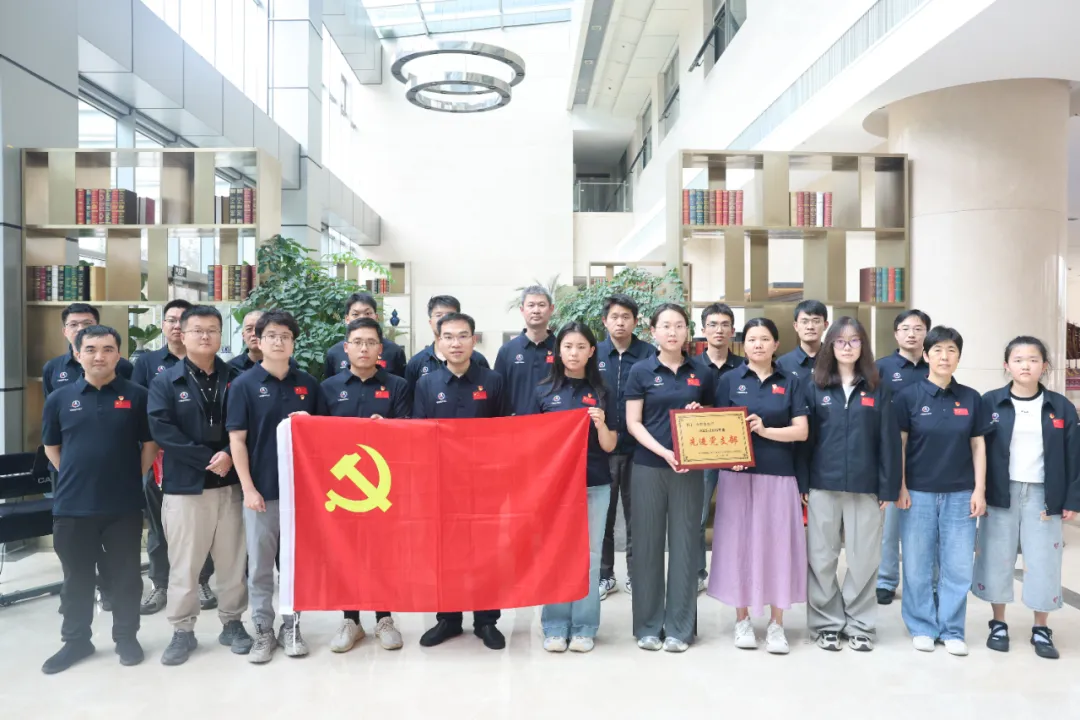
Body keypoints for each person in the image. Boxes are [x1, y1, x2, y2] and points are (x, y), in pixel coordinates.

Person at [40, 325, 158, 674]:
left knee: (125, 576)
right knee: (76, 578)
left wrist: (130, 476)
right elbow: (51, 447)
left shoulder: (137, 395)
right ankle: (76, 641)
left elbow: (150, 444)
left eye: (108, 349)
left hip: (123, 505)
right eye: (90, 349)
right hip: (72, 507)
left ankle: (126, 637)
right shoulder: (59, 399)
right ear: (77, 354)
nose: (99, 356)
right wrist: (76, 476)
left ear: (118, 355)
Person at [148, 306, 253, 665]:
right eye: (197, 330)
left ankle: (232, 622)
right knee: (185, 565)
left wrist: (228, 454)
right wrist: (208, 458)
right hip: (185, 488)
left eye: (212, 330)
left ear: (221, 335)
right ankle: (182, 630)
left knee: (232, 562)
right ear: (182, 334)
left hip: (231, 485)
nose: (205, 336)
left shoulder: (237, 377)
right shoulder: (166, 381)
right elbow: (162, 430)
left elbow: (249, 423)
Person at [973, 336, 1080, 659]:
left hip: (1044, 494)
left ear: (1044, 366)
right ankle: (998, 622)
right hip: (1000, 492)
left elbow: (1074, 455)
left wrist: (1072, 500)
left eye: (1033, 360)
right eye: (1018, 359)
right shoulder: (990, 402)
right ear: (1006, 365)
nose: (1025, 365)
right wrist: (978, 490)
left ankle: (1041, 627)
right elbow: (976, 449)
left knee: (1044, 559)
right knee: (997, 556)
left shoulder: (1060, 406)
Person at [709, 317, 809, 654]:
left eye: (765, 339)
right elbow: (718, 427)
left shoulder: (791, 381)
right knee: (739, 546)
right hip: (737, 477)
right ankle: (742, 620)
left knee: (778, 547)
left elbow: (801, 431)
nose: (758, 344)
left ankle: (777, 624)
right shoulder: (729, 380)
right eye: (752, 339)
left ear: (776, 344)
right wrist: (727, 456)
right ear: (744, 343)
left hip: (779, 476)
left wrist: (765, 431)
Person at [802, 317, 900, 652]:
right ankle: (826, 624)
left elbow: (889, 441)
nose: (847, 347)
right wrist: (803, 483)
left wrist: (887, 487)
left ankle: (860, 625)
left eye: (854, 340)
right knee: (821, 558)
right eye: (840, 341)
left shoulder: (877, 387)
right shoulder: (814, 386)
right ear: (830, 345)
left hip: (866, 486)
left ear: (863, 346)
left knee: (864, 559)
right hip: (822, 485)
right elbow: (805, 441)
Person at [227, 310, 319, 664]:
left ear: (293, 342)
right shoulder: (244, 385)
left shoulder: (308, 385)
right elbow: (237, 441)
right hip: (262, 493)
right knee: (261, 568)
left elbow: (323, 438)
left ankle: (292, 627)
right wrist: (249, 489)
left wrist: (311, 423)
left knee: (295, 568)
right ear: (259, 340)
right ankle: (263, 630)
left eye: (285, 336)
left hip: (301, 496)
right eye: (271, 335)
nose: (278, 341)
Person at [413, 312, 508, 650]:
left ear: (473, 340)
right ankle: (448, 619)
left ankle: (487, 620)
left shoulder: (493, 381)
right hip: (442, 484)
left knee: (486, 553)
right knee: (446, 553)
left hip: (484, 484)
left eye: (463, 336)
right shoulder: (427, 384)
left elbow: (505, 431)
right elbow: (418, 434)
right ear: (438, 342)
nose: (456, 343)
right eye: (449, 337)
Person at [893, 326, 989, 656]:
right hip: (917, 493)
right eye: (937, 350)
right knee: (917, 563)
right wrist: (900, 486)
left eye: (951, 351)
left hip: (961, 493)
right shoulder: (908, 397)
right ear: (926, 355)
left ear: (959, 357)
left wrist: (979, 489)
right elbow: (900, 444)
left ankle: (951, 628)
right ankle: (922, 625)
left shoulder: (971, 398)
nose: (944, 356)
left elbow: (978, 445)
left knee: (957, 564)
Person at [316, 317, 410, 653]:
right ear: (346, 348)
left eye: (370, 342)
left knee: (383, 553)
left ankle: (384, 618)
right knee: (346, 551)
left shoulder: (398, 386)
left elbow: (410, 429)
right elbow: (318, 435)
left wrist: (389, 427)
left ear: (380, 349)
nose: (364, 348)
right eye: (357, 342)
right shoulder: (328, 388)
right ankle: (350, 619)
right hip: (342, 488)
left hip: (385, 483)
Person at [624, 303, 713, 653]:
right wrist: (663, 452)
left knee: (686, 546)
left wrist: (701, 412)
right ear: (653, 331)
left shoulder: (702, 372)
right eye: (665, 325)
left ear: (687, 331)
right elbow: (633, 422)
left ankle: (680, 628)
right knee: (647, 546)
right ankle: (648, 625)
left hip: (690, 470)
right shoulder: (641, 371)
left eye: (679, 325)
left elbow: (714, 416)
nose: (672, 331)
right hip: (649, 467)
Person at [527, 322, 617, 653]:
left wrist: (601, 424)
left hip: (595, 483)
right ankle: (554, 625)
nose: (574, 353)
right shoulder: (543, 391)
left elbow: (611, 445)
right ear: (558, 351)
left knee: (590, 558)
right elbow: (532, 441)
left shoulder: (603, 392)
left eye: (581, 347)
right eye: (568, 346)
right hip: (555, 488)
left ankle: (584, 626)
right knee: (555, 554)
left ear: (592, 351)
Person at [43, 303, 135, 613]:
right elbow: (52, 436)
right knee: (75, 554)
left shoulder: (128, 377)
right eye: (74, 325)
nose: (99, 356)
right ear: (67, 334)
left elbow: (142, 435)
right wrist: (71, 470)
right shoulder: (54, 376)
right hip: (71, 484)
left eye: (87, 323)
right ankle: (76, 611)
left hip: (118, 485)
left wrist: (131, 472)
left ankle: (113, 604)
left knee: (118, 554)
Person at [133, 299, 216, 616]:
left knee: (201, 527)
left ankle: (202, 581)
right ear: (163, 325)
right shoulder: (148, 363)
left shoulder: (210, 364)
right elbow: (143, 412)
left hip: (198, 459)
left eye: (183, 320)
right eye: (171, 320)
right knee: (159, 527)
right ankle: (160, 584)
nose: (177, 325)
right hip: (158, 459)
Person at [596, 294, 654, 600]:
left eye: (626, 317)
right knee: (603, 515)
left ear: (635, 321)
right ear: (605, 321)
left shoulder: (649, 354)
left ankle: (636, 574)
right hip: (601, 447)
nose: (620, 322)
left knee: (638, 515)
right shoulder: (593, 353)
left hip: (638, 448)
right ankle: (605, 575)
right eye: (614, 317)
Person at [875, 309, 931, 605]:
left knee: (922, 525)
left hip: (925, 453)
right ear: (896, 334)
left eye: (918, 329)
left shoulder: (934, 366)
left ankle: (921, 581)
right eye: (906, 328)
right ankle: (885, 579)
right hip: (891, 450)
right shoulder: (881, 367)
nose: (912, 334)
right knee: (890, 523)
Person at [693, 302, 744, 593]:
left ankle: (733, 573)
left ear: (733, 330)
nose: (719, 330)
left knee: (735, 516)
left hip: (738, 452)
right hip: (703, 452)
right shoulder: (692, 367)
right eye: (713, 324)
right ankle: (698, 572)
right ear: (703, 330)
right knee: (698, 516)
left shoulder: (744, 366)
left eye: (725, 324)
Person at [404, 295, 489, 390]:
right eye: (438, 315)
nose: (444, 319)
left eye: (450, 314)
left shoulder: (478, 359)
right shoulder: (416, 362)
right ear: (430, 322)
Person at [494, 285, 555, 415]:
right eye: (531, 305)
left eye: (541, 305)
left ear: (551, 309)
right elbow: (498, 394)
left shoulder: (562, 349)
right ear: (522, 310)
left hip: (555, 423)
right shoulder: (507, 351)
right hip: (517, 424)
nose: (536, 310)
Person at [324, 293, 408, 378]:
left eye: (367, 313)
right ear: (347, 319)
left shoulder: (394, 351)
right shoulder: (334, 353)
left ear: (376, 317)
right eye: (355, 314)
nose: (362, 318)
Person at [776, 299, 828, 380]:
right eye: (804, 322)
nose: (810, 327)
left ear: (825, 325)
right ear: (796, 326)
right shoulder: (782, 364)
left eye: (816, 321)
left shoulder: (836, 359)